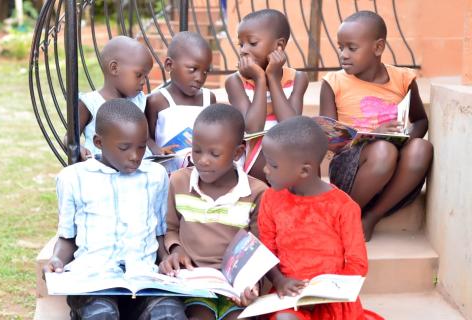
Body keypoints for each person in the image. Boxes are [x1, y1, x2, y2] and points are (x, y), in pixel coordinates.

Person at [45, 99, 187, 320]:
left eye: (141, 146)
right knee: (102, 313)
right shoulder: (73, 178)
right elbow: (67, 238)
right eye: (124, 147)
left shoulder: (156, 176)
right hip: (93, 281)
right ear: (98, 142)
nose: (135, 155)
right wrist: (56, 260)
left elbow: (158, 233)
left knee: (169, 313)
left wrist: (166, 258)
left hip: (143, 280)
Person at [320, 11, 433, 241]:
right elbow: (327, 138)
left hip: (395, 178)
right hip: (352, 170)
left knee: (422, 148)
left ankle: (371, 217)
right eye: (340, 47)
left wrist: (405, 138)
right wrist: (370, 137)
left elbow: (420, 120)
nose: (343, 55)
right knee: (383, 151)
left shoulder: (403, 79)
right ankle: (344, 214)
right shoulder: (333, 83)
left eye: (352, 48)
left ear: (378, 47)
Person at [258, 116, 383, 320]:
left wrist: (322, 294)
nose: (265, 170)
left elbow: (357, 264)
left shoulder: (343, 207)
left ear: (304, 170)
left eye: (273, 165)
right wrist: (279, 280)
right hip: (290, 296)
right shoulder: (270, 198)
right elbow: (267, 251)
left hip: (333, 299)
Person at [159, 104, 267, 320]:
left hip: (235, 286)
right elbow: (170, 228)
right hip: (193, 281)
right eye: (196, 150)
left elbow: (258, 248)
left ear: (238, 152)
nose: (203, 160)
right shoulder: (179, 181)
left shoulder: (256, 192)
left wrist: (252, 284)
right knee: (199, 316)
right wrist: (175, 250)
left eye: (214, 153)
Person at [225, 9, 309, 182]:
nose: (243, 51)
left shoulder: (298, 79)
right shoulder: (235, 82)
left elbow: (290, 126)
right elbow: (252, 129)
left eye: (253, 43)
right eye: (241, 44)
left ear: (279, 46)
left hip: (287, 149)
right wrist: (260, 79)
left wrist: (272, 77)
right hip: (254, 153)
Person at [67, 35, 154, 161]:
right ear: (114, 68)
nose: (143, 81)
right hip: (101, 170)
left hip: (137, 166)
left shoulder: (139, 101)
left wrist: (157, 149)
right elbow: (69, 138)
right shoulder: (90, 103)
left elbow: (146, 137)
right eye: (139, 75)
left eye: (145, 76)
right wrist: (78, 148)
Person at [146, 31, 216, 173]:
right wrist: (156, 149)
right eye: (193, 69)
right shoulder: (157, 101)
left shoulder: (209, 99)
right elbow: (147, 137)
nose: (199, 78)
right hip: (167, 174)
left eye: (205, 72)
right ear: (169, 65)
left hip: (200, 173)